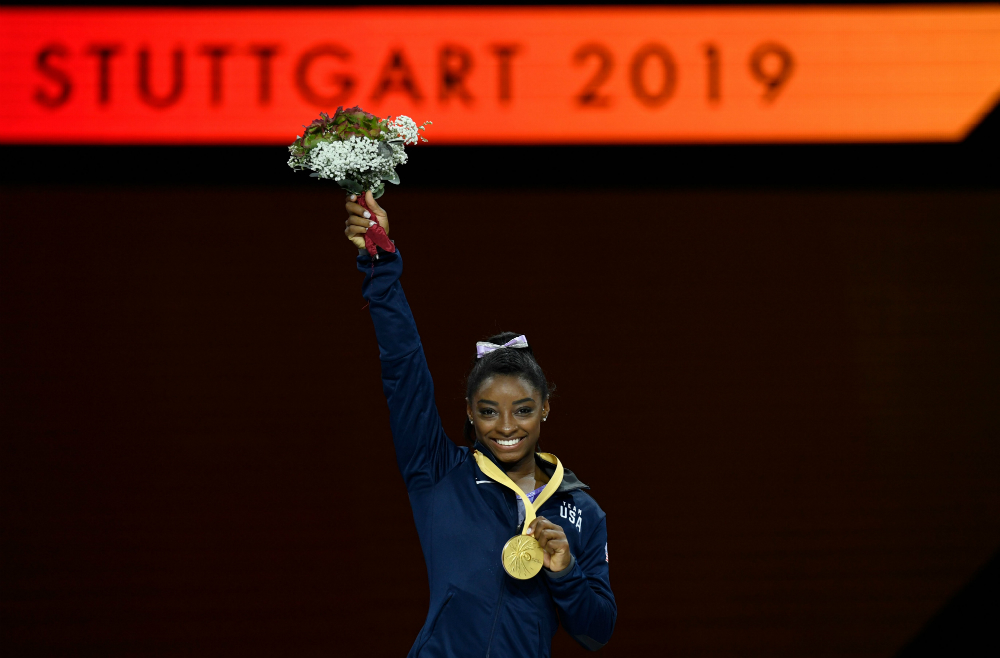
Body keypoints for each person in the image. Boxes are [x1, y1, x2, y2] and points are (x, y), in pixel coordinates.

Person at [344, 191, 616, 656]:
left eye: (523, 409)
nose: (506, 426)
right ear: (469, 412)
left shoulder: (581, 512)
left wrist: (566, 573)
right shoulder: (437, 471)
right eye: (488, 411)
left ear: (546, 407)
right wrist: (382, 269)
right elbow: (404, 370)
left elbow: (597, 632)